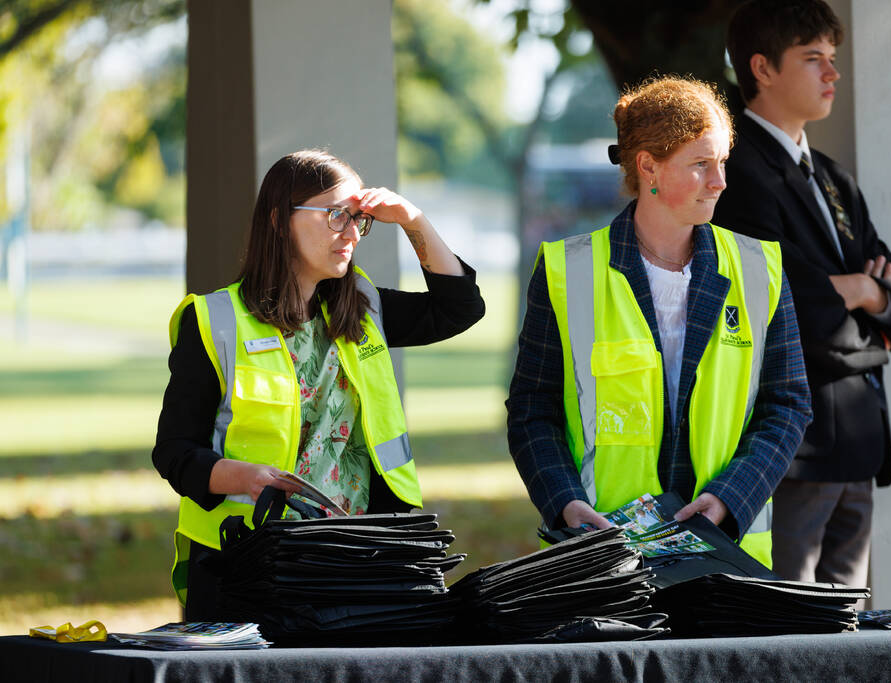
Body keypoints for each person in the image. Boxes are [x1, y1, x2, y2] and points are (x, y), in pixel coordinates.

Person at [153, 149, 485, 619]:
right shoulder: (214, 321)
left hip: (356, 557)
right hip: (248, 563)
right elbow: (175, 452)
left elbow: (460, 308)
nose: (351, 233)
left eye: (357, 220)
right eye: (335, 217)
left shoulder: (362, 307)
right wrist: (244, 477)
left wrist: (412, 220)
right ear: (278, 219)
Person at [506, 76, 812, 567]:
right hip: (604, 554)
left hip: (727, 553)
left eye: (722, 162)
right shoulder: (567, 270)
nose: (720, 181)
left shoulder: (760, 267)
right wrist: (565, 504)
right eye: (700, 164)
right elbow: (531, 411)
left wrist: (732, 499)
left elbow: (788, 405)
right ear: (648, 165)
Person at [713, 0, 891, 589]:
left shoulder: (836, 180)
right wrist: (869, 299)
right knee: (797, 637)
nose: (832, 73)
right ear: (762, 69)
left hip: (859, 445)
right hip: (792, 449)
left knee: (850, 634)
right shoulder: (734, 176)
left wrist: (865, 290)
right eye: (814, 59)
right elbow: (789, 313)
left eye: (832, 59)